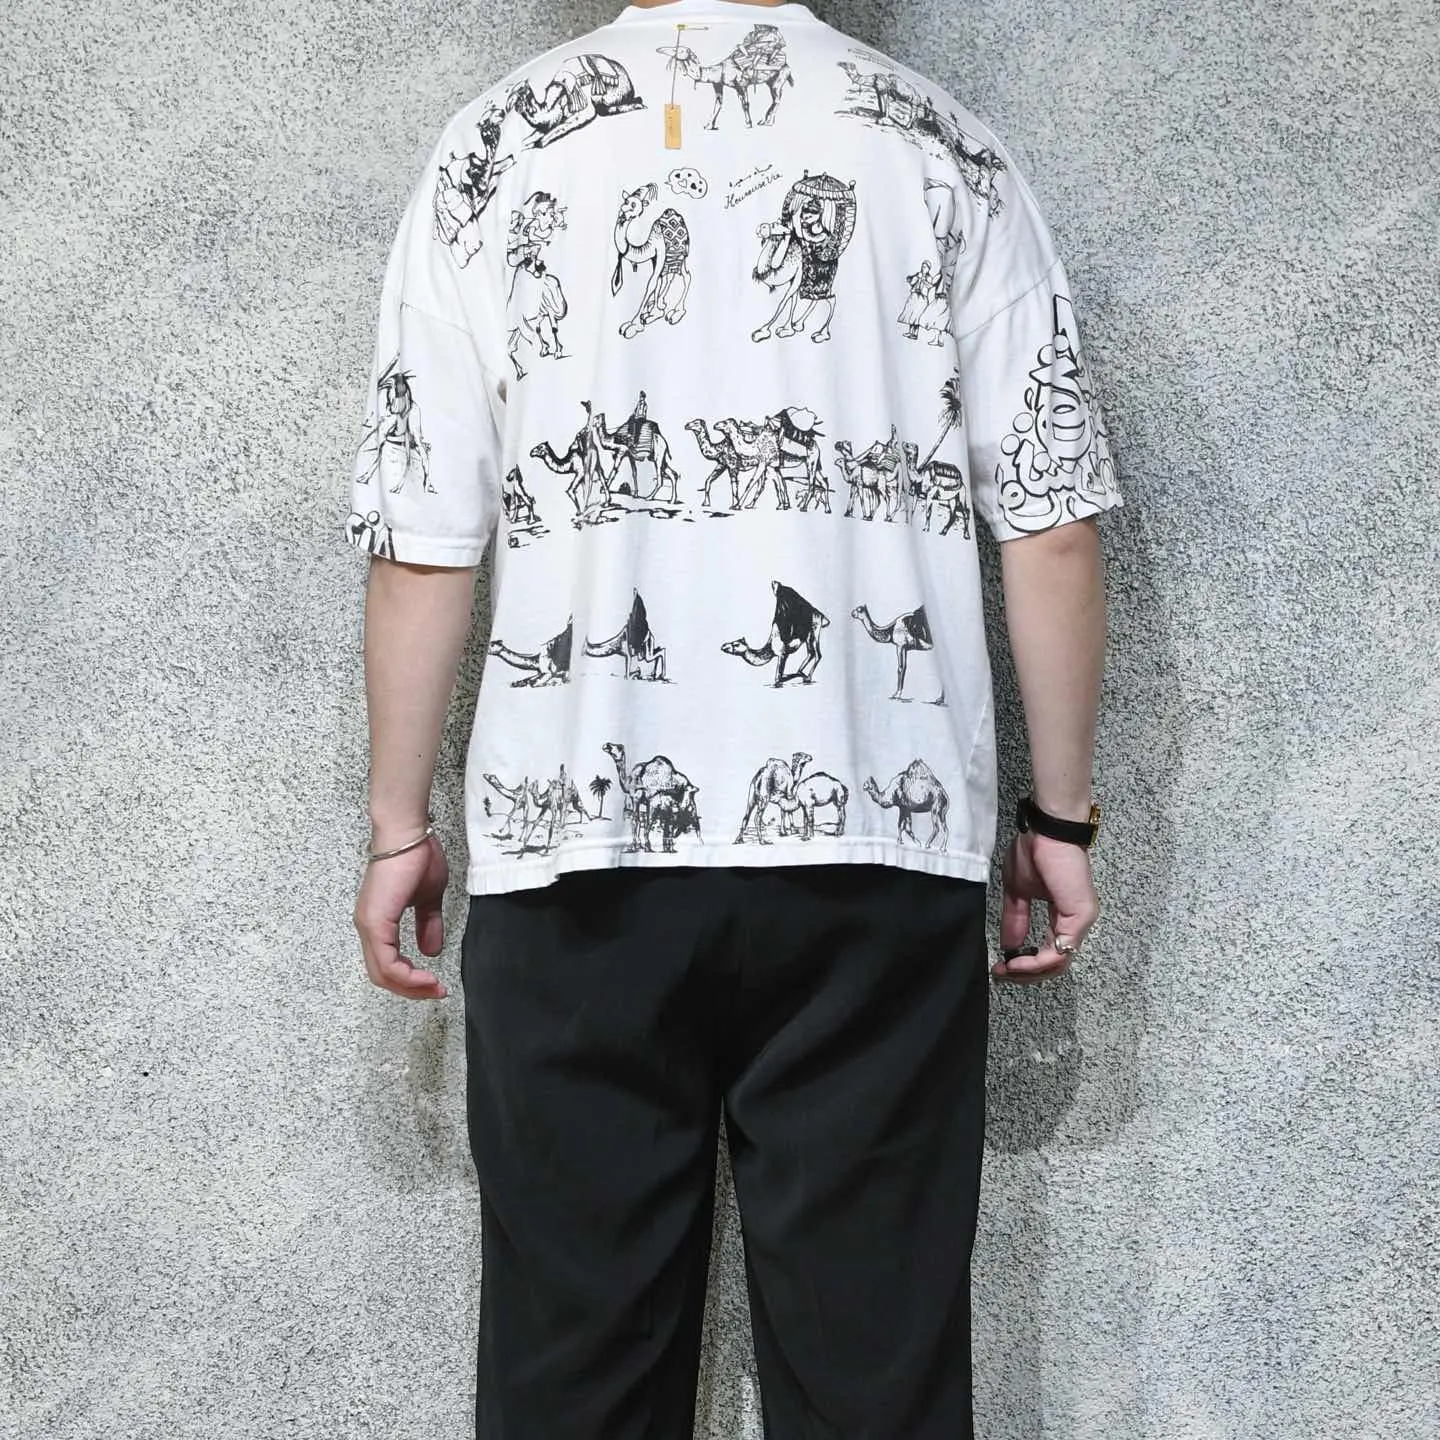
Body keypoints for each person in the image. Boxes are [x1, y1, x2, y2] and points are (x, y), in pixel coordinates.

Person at [343, 1, 1123, 1435]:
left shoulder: (496, 149)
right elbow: (1053, 522)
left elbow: (423, 542)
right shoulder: (943, 146)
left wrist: (400, 825)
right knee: (876, 1381)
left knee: (570, 1379)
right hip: (872, 850)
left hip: (572, 850)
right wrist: (1058, 816)